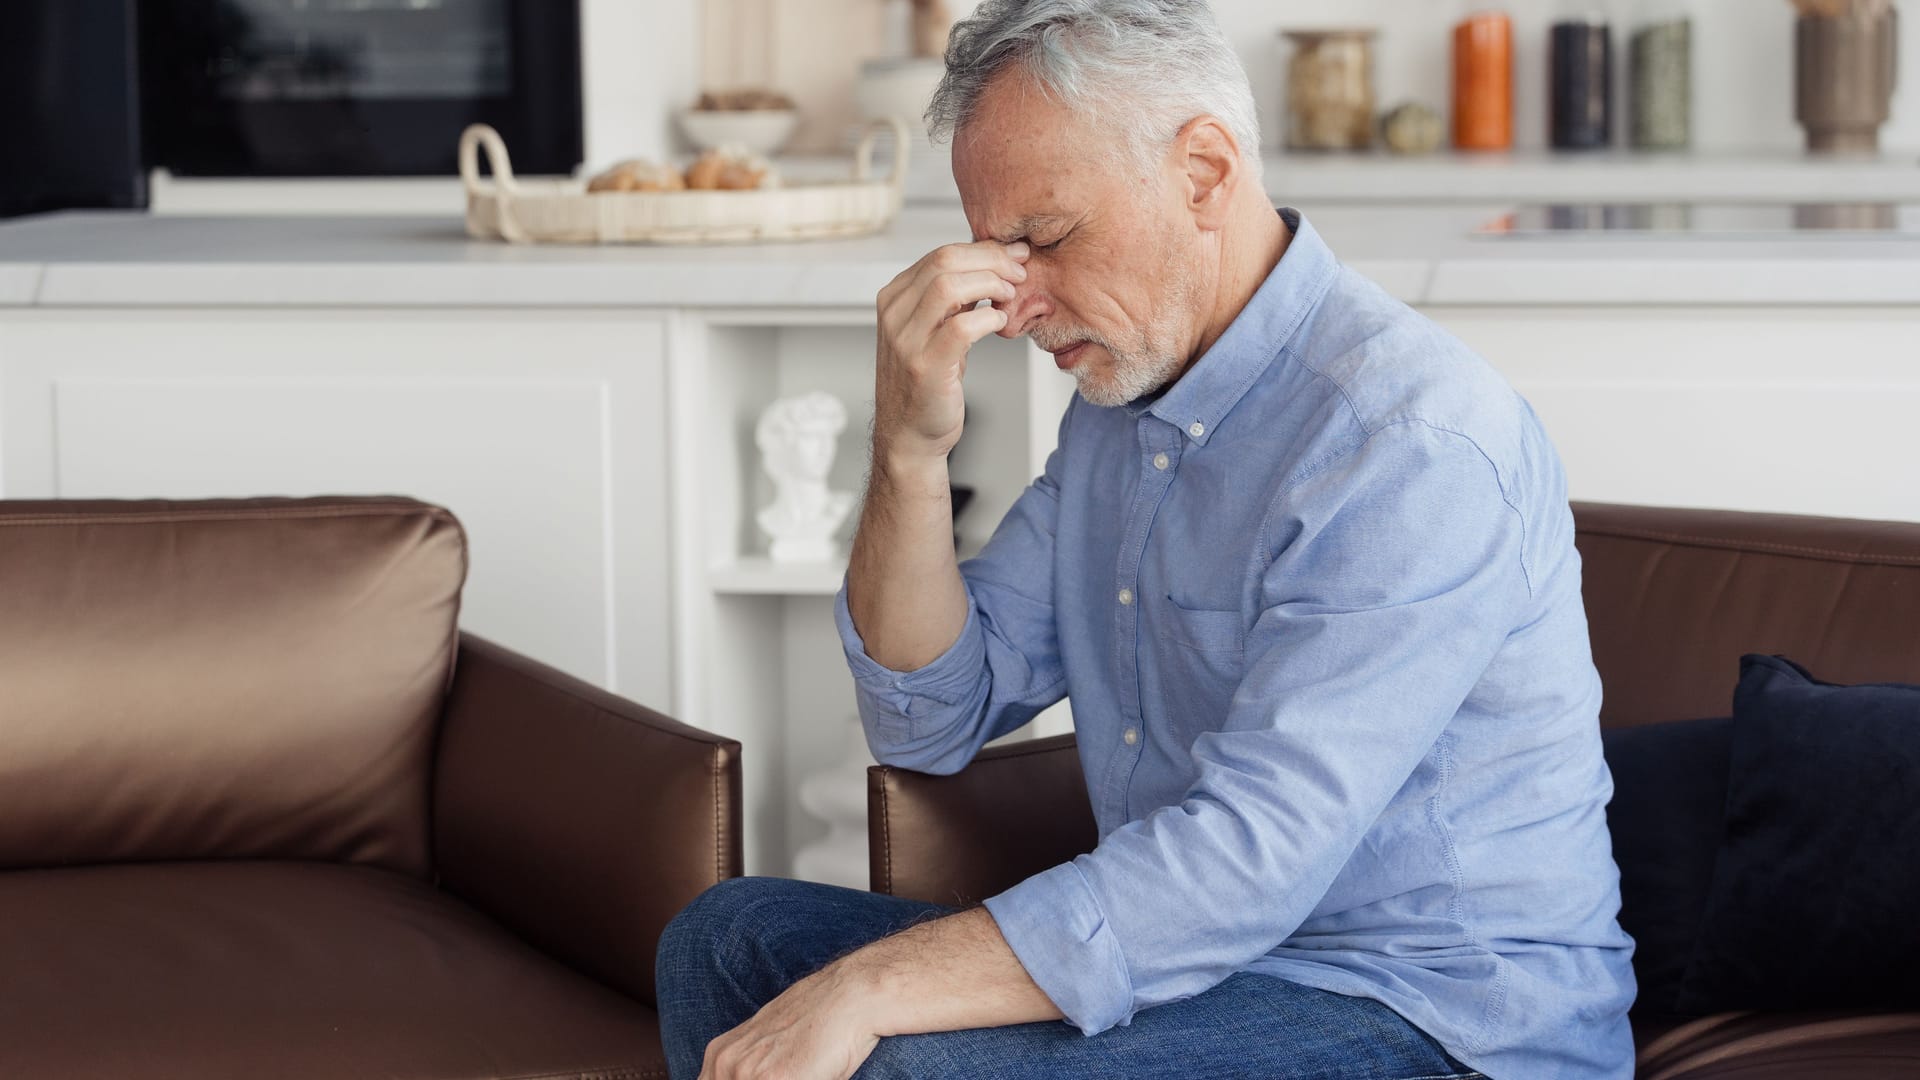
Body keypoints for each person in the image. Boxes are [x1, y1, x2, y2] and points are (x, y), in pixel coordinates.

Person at [655, 2, 1637, 1077]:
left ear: (1205, 172)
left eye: (1046, 239)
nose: (1015, 304)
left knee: (889, 1060)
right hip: (1202, 980)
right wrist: (906, 449)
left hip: (1431, 1014)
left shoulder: (1410, 441)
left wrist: (870, 987)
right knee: (725, 940)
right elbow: (930, 716)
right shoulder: (1127, 409)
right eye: (996, 251)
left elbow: (1244, 864)